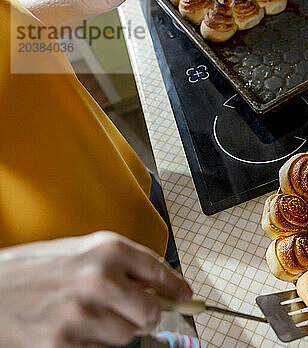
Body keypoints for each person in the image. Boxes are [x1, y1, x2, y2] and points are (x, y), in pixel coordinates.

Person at [1, 0, 195, 346]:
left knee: (185, 263)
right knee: (130, 334)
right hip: (56, 292)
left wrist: (69, 5)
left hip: (130, 187)